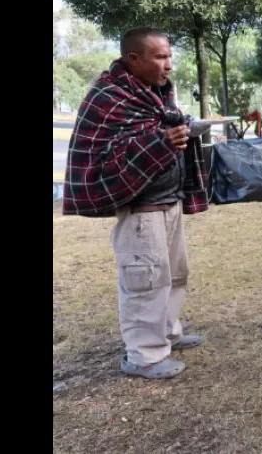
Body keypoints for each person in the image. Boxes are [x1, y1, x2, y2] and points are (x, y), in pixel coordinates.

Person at [62, 27, 213, 378]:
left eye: (169, 56)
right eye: (160, 57)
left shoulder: (154, 95)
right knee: (144, 282)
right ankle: (143, 356)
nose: (169, 65)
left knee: (174, 276)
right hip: (141, 212)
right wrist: (162, 140)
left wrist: (187, 128)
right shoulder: (109, 97)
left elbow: (156, 131)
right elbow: (109, 158)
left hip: (168, 203)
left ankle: (166, 333)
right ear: (134, 59)